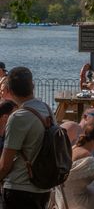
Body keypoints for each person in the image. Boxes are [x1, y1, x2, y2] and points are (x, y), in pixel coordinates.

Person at [0, 67, 56, 209]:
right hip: (42, 186)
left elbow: (5, 165)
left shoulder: (18, 117)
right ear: (33, 86)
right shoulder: (47, 110)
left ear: (10, 91)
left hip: (19, 187)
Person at [55, 124, 94, 209]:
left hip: (63, 198)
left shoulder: (74, 148)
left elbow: (85, 168)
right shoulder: (88, 158)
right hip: (77, 201)